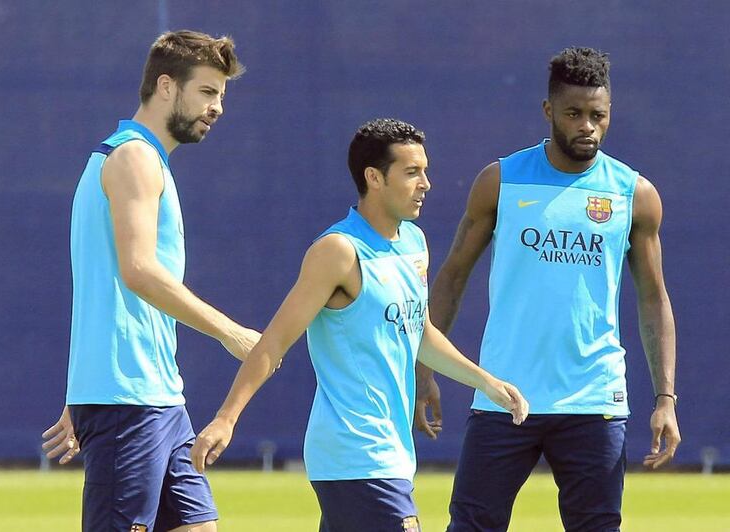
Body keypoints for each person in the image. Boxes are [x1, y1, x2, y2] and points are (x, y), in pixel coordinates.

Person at [192, 118, 529, 531]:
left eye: (425, 171)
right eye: (411, 172)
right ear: (374, 177)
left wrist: (486, 383)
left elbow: (418, 332)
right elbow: (275, 342)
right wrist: (227, 418)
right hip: (355, 454)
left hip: (389, 455)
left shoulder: (414, 242)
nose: (426, 183)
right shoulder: (337, 251)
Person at [414, 47, 681, 531]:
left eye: (598, 115)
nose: (587, 127)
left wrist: (666, 398)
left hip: (594, 400)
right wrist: (423, 369)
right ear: (548, 112)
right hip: (502, 392)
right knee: (471, 525)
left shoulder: (634, 193)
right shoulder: (501, 181)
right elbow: (452, 276)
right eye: (574, 114)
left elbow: (653, 298)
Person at [41, 30, 260, 532]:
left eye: (221, 96)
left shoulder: (145, 159)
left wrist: (87, 389)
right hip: (128, 400)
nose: (217, 107)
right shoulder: (133, 158)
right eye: (207, 92)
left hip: (155, 396)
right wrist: (229, 331)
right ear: (167, 87)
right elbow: (137, 271)